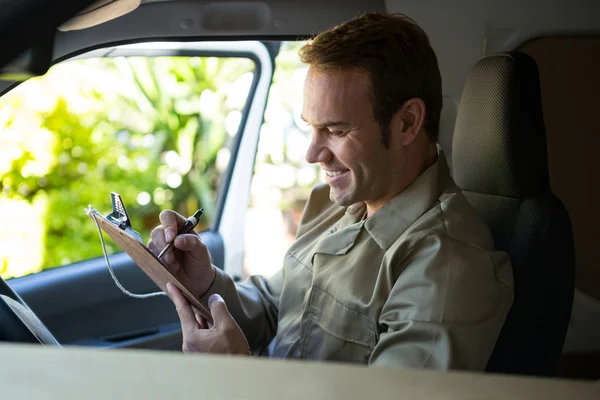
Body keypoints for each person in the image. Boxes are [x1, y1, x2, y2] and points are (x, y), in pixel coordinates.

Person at [147, 12, 514, 370]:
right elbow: (277, 305)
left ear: (407, 123)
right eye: (311, 127)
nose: (312, 154)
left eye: (336, 131)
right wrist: (205, 283)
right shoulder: (338, 203)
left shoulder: (446, 264)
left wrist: (239, 376)